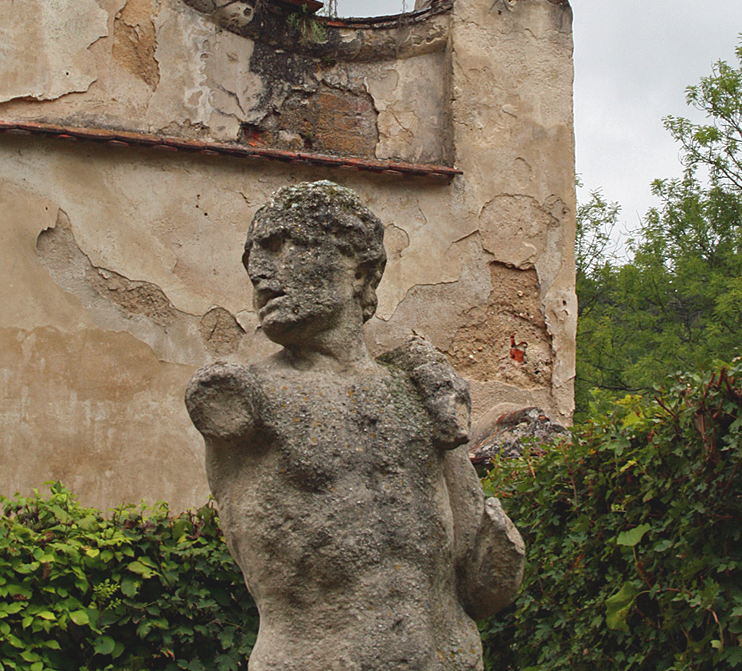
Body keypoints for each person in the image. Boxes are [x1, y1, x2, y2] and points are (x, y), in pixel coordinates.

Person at [186, 181, 524, 671]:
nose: (260, 273)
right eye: (253, 258)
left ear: (362, 274)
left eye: (285, 247)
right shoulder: (239, 398)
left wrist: (501, 554)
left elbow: (476, 573)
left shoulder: (416, 391)